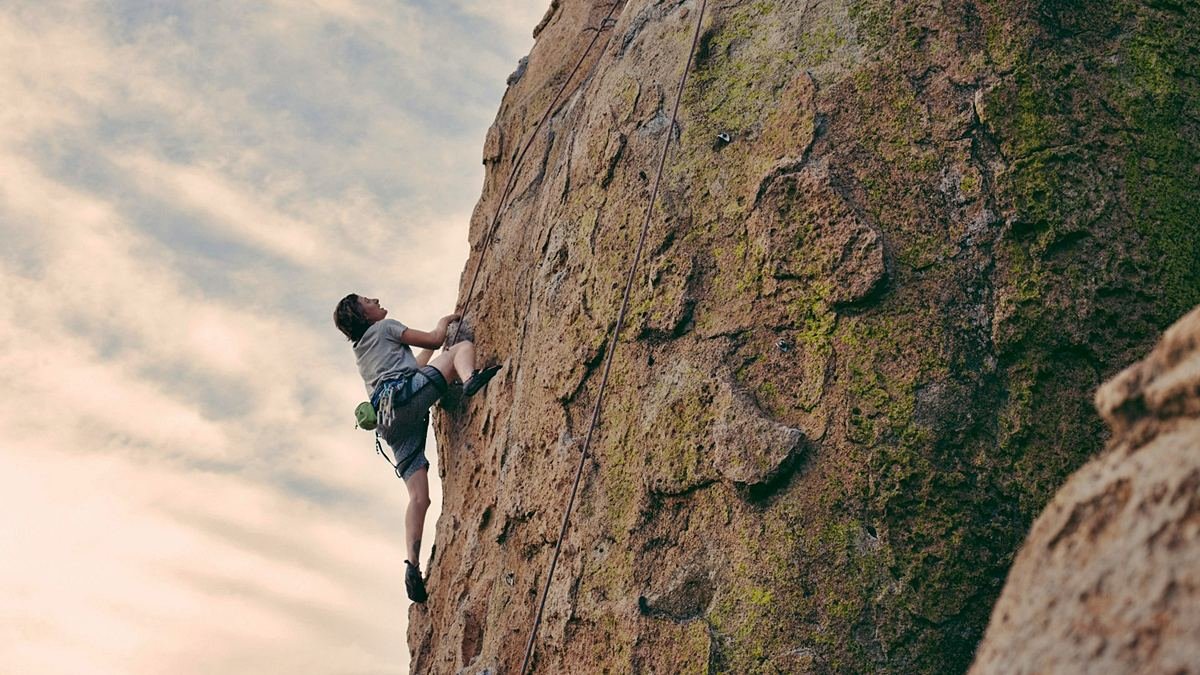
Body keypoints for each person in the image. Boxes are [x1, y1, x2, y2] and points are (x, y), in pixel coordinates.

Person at [334, 293, 500, 603]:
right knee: (461, 349)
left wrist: (436, 355)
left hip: (387, 417)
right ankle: (470, 379)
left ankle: (412, 564)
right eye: (367, 300)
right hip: (403, 400)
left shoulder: (363, 349)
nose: (375, 298)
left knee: (418, 497)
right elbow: (437, 341)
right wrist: (445, 323)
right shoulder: (385, 328)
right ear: (364, 315)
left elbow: (416, 369)